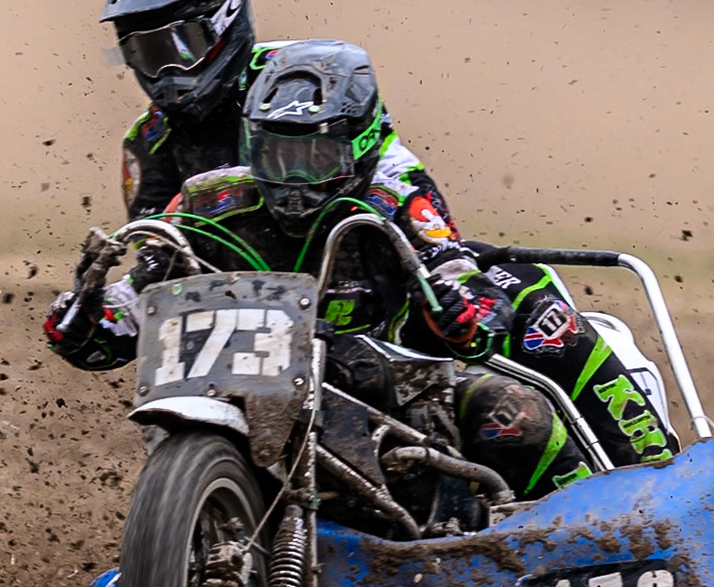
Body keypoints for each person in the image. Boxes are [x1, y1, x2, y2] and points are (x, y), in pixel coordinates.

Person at [44, 39, 679, 496]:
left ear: (357, 144)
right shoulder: (209, 200)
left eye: (314, 156)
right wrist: (87, 317)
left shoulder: (395, 191)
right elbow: (138, 296)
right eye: (274, 155)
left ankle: (621, 510)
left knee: (514, 417)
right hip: (259, 398)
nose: (292, 181)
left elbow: (455, 271)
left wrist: (463, 309)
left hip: (396, 400)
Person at [101, 0, 427, 219]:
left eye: (186, 46)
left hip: (350, 264)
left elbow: (394, 170)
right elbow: (155, 256)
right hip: (229, 282)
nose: (170, 72)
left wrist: (437, 251)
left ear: (227, 18)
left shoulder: (317, 81)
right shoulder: (149, 143)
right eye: (150, 54)